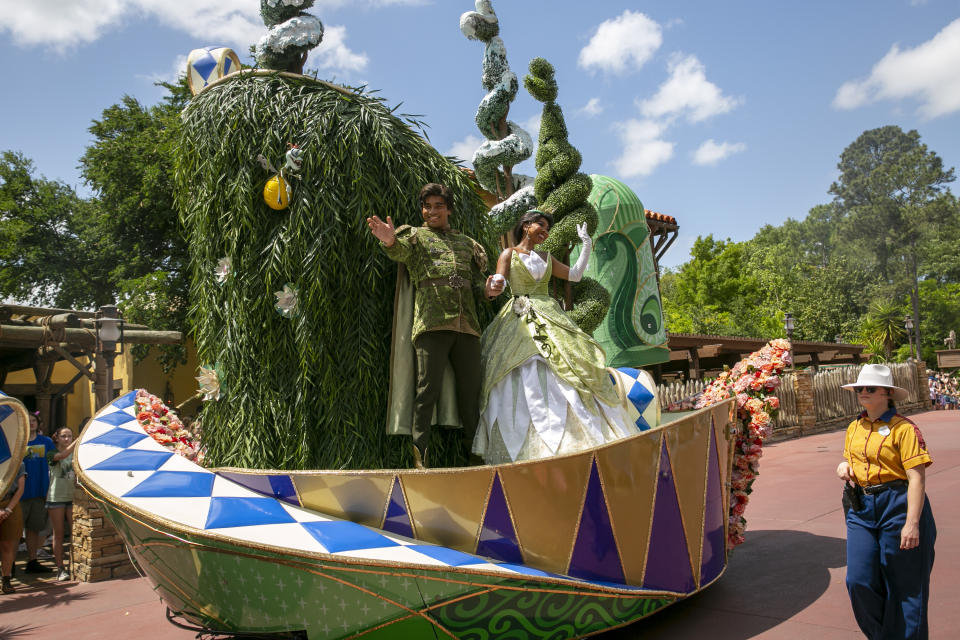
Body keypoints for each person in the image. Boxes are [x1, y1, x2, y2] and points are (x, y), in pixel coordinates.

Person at [474, 209, 641, 464]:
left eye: (547, 228)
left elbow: (574, 275)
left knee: (570, 364)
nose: (545, 231)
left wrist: (586, 244)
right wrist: (494, 286)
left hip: (550, 313)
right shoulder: (509, 253)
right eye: (540, 225)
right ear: (526, 225)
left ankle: (582, 432)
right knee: (522, 368)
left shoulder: (547, 257)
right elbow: (500, 282)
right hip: (518, 319)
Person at [367, 183, 502, 467]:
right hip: (431, 323)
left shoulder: (467, 244)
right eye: (427, 206)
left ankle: (475, 457)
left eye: (438, 206)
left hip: (467, 327)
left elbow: (478, 286)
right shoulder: (415, 237)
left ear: (449, 209)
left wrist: (488, 289)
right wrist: (390, 241)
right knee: (426, 392)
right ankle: (420, 457)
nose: (431, 211)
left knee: (470, 394)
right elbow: (400, 252)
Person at [836, 364, 936, 639]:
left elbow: (917, 479)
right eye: (860, 389)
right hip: (863, 507)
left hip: (898, 505)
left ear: (888, 393)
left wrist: (912, 523)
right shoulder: (854, 426)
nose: (864, 393)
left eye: (871, 388)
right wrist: (844, 467)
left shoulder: (904, 429)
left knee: (906, 587)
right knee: (858, 581)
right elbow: (851, 459)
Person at [22, 413, 55, 574]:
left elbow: (55, 461)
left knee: (34, 529)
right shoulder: (17, 442)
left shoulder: (46, 442)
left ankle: (32, 560)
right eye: (28, 421)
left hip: (39, 492)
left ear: (38, 423)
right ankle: (9, 566)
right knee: (13, 533)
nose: (31, 423)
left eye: (33, 420)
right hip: (19, 495)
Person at [47, 427, 77, 582]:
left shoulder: (77, 453)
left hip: (73, 497)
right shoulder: (51, 453)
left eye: (70, 436)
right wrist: (79, 440)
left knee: (75, 533)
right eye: (64, 436)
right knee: (58, 534)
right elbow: (62, 455)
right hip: (56, 497)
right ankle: (60, 568)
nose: (67, 439)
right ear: (57, 438)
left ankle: (75, 564)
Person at [0, 462, 25, 594]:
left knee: (7, 545)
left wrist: (8, 510)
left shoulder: (18, 462)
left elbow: (20, 488)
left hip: (11, 504)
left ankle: (6, 580)